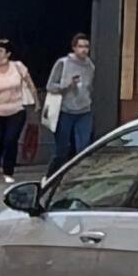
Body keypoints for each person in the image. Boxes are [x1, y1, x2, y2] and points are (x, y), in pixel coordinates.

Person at [0, 38, 38, 184]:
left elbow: (30, 84)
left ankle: (8, 171)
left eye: (0, 51)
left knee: (11, 140)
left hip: (16, 110)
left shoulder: (18, 67)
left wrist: (37, 102)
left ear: (8, 53)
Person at [47, 33, 95, 175]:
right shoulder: (63, 63)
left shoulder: (90, 66)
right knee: (61, 150)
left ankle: (78, 177)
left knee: (83, 148)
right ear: (74, 48)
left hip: (84, 110)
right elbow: (50, 86)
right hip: (65, 110)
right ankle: (50, 176)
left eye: (86, 46)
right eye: (80, 46)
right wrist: (66, 86)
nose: (84, 50)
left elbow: (90, 87)